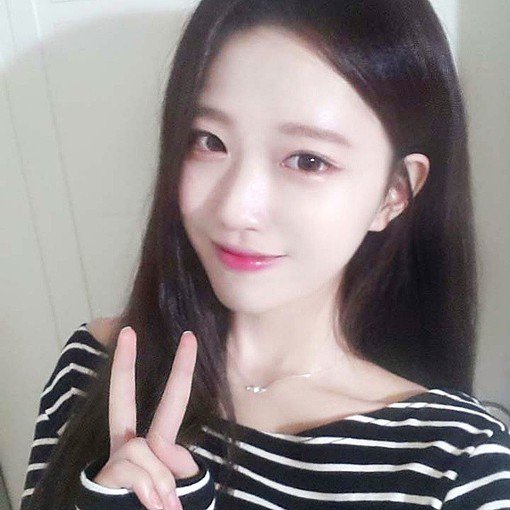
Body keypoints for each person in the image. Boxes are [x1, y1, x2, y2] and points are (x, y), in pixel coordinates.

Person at [21, 0, 510, 509]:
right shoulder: (94, 370)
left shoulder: (458, 465)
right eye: (209, 141)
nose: (235, 209)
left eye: (308, 160)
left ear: (395, 192)